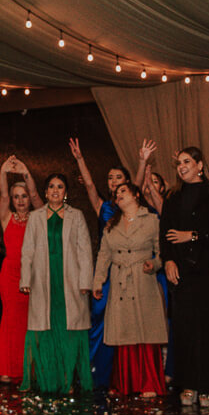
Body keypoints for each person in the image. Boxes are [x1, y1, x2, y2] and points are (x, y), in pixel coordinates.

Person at [159, 147, 209, 406]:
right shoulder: (173, 197)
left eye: (187, 161)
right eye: (179, 163)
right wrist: (168, 260)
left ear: (200, 165)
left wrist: (192, 236)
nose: (182, 167)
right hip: (181, 270)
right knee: (184, 328)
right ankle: (188, 383)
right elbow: (165, 233)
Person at [18, 173, 94, 394]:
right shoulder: (35, 217)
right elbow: (27, 251)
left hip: (70, 282)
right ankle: (49, 380)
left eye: (60, 187)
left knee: (69, 331)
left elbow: (85, 251)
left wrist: (85, 281)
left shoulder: (76, 216)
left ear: (65, 192)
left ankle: (68, 380)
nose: (55, 190)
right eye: (51, 186)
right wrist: (25, 279)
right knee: (45, 330)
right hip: (43, 281)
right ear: (45, 192)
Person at [92, 181, 168, 396]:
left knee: (146, 331)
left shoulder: (151, 220)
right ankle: (125, 383)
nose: (119, 195)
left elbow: (162, 250)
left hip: (143, 280)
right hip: (120, 282)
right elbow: (104, 255)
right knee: (123, 332)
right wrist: (98, 281)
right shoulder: (111, 225)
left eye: (123, 191)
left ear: (136, 195)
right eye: (116, 194)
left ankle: (149, 383)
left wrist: (154, 264)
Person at [69, 138, 130, 390]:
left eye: (118, 177)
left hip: (127, 271)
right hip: (105, 271)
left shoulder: (133, 208)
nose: (113, 181)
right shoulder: (102, 207)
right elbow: (90, 185)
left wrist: (144, 163)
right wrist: (80, 159)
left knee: (124, 323)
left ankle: (120, 375)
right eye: (110, 178)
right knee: (97, 318)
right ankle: (90, 371)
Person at [0, 155, 34, 383]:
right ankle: (7, 369)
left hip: (32, 276)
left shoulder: (38, 218)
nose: (19, 200)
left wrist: (25, 172)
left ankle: (29, 369)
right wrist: (3, 172)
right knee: (10, 321)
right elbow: (3, 195)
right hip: (9, 276)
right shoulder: (6, 217)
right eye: (16, 196)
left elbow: (38, 198)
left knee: (30, 322)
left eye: (23, 196)